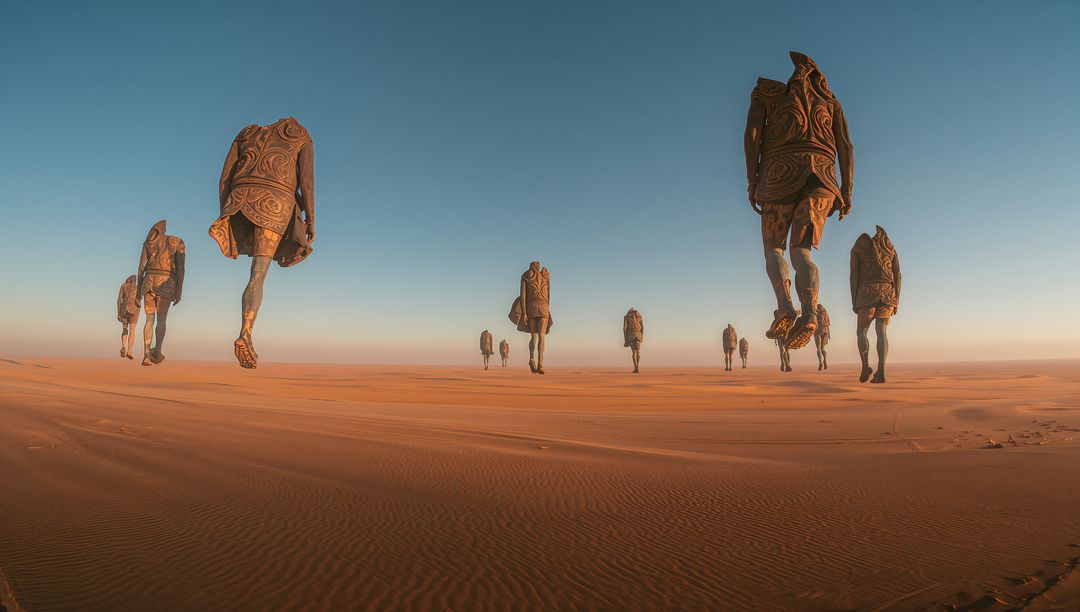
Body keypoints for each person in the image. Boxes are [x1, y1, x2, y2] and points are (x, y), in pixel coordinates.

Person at [744, 52, 854, 351]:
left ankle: (785, 306)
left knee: (774, 248)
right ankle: (810, 313)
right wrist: (847, 190)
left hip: (778, 174)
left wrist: (752, 180)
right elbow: (846, 145)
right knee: (802, 252)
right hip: (823, 178)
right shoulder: (829, 101)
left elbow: (752, 135)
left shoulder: (766, 93)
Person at [210, 117, 315, 369]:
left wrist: (225, 211)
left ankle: (246, 333)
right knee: (258, 273)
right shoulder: (302, 136)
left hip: (239, 198)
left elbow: (224, 178)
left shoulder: (246, 133)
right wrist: (311, 219)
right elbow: (307, 183)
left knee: (256, 273)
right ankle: (245, 333)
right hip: (275, 204)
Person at [851, 226, 901, 383]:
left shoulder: (858, 246)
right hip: (888, 294)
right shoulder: (889, 246)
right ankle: (881, 371)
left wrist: (855, 301)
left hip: (866, 294)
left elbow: (854, 275)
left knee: (861, 332)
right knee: (882, 332)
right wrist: (896, 300)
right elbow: (897, 275)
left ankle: (865, 367)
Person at [136, 221, 185, 366]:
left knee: (149, 320)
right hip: (166, 284)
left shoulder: (149, 242)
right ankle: (157, 350)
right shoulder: (177, 242)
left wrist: (138, 291)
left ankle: (146, 355)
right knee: (161, 319)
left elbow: (140, 268)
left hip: (148, 283)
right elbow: (181, 268)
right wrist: (179, 290)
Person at [508, 261, 552, 374]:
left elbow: (523, 295)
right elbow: (548, 296)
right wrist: (547, 308)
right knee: (542, 336)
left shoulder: (526, 275)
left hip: (531, 307)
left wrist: (524, 312)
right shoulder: (546, 275)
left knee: (533, 336)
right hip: (544, 307)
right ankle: (540, 363)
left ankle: (532, 358)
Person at [116, 274, 140, 360]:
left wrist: (118, 313)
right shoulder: (137, 287)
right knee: (132, 330)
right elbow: (139, 300)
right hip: (134, 310)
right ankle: (129, 351)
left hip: (124, 309)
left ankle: (123, 346)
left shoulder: (123, 286)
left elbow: (119, 300)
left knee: (125, 329)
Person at [623, 308, 644, 373]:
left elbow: (624, 328)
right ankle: (637, 367)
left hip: (631, 335)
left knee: (634, 352)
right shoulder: (639, 317)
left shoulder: (627, 317)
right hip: (638, 335)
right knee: (638, 352)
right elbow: (642, 328)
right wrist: (642, 337)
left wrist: (625, 338)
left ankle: (636, 367)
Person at [814, 304, 831, 371]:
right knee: (823, 348)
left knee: (818, 348)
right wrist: (829, 334)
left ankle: (820, 362)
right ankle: (825, 360)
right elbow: (828, 324)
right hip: (825, 331)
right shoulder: (826, 314)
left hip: (818, 331)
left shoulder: (816, 312)